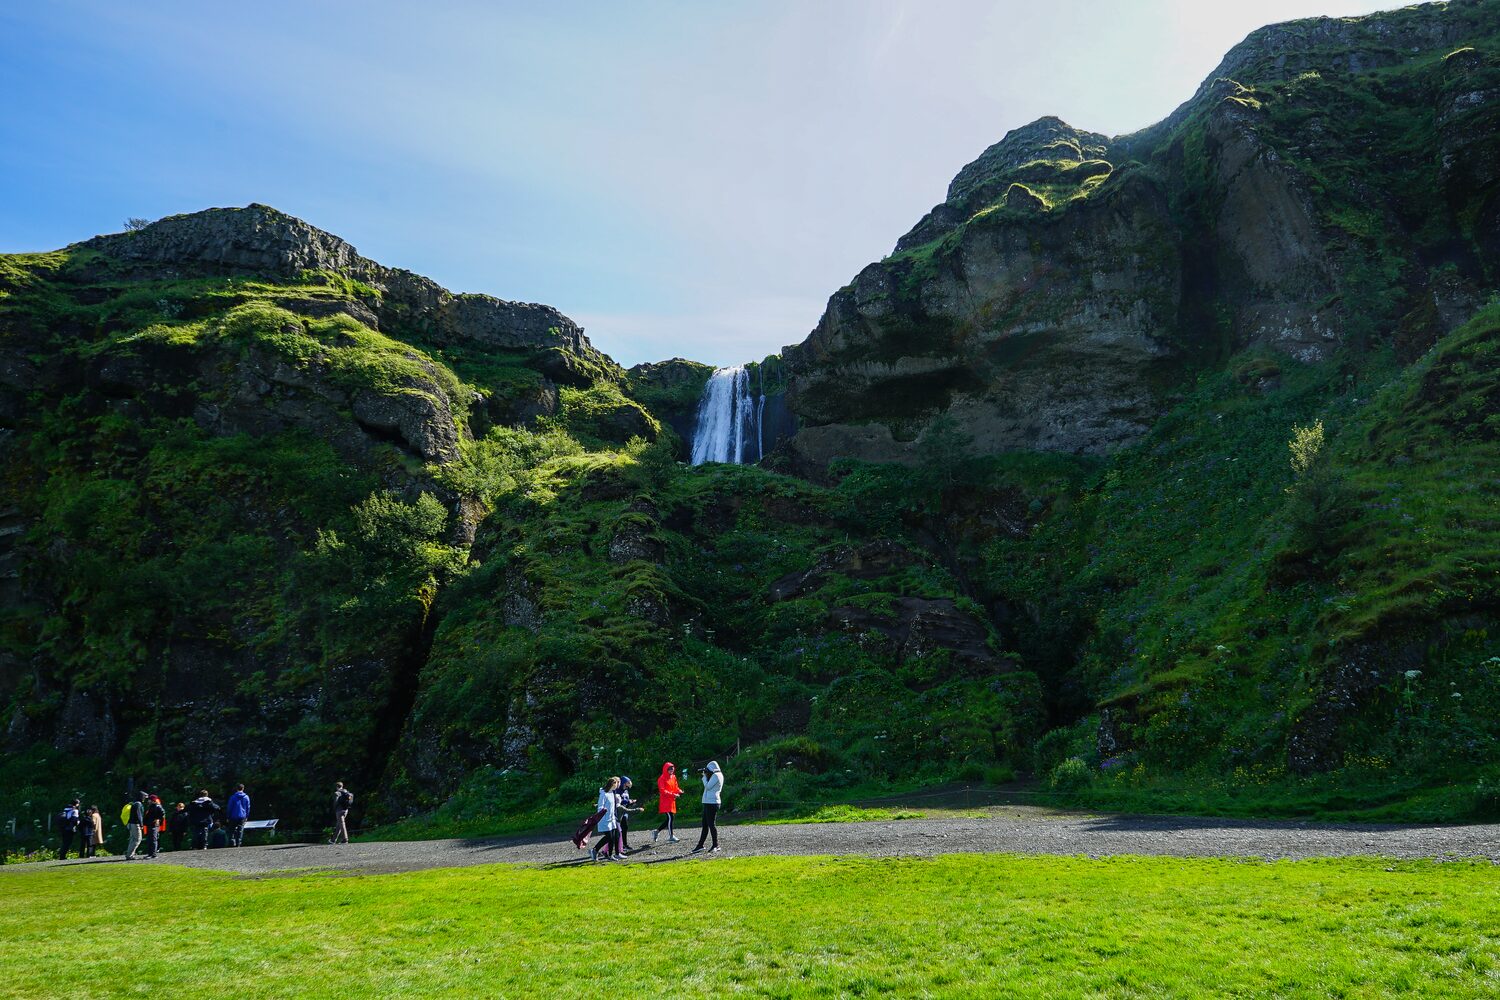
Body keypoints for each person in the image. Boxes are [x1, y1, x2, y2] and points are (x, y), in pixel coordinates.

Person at [693, 760, 724, 854]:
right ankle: (700, 845)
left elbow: (708, 787)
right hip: (709, 802)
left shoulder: (716, 775)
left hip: (712, 802)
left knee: (711, 824)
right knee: (705, 825)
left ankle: (716, 845)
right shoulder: (716, 775)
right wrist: (706, 775)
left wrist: (704, 777)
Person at [589, 777, 622, 862]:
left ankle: (610, 855)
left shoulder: (612, 793)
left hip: (612, 819)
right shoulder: (603, 794)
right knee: (609, 837)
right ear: (612, 784)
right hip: (604, 819)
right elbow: (600, 806)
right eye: (616, 783)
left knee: (613, 837)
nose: (617, 785)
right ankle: (595, 849)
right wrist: (604, 811)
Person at [652, 763, 682, 843]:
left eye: (672, 769)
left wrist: (679, 791)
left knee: (670, 819)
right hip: (665, 802)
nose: (671, 770)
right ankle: (671, 836)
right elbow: (662, 790)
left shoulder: (673, 777)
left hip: (671, 800)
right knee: (670, 818)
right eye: (669, 769)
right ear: (666, 769)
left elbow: (675, 787)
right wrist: (673, 794)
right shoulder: (661, 778)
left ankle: (656, 831)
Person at [616, 776, 644, 854]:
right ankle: (619, 846)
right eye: (626, 783)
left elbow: (625, 800)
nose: (627, 785)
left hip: (625, 811)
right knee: (620, 829)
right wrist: (628, 801)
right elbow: (619, 802)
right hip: (620, 811)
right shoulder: (617, 790)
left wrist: (630, 801)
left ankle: (624, 844)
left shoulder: (626, 791)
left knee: (625, 828)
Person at [123, 792, 146, 861]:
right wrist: (141, 824)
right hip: (135, 824)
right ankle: (130, 855)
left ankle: (130, 854)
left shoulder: (134, 803)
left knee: (133, 839)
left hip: (130, 824)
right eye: (144, 797)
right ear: (141, 797)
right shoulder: (138, 804)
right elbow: (139, 815)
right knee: (138, 839)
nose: (144, 798)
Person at [143, 795, 166, 859]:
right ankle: (150, 854)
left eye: (149, 799)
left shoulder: (157, 806)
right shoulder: (151, 806)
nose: (148, 800)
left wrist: (158, 819)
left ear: (152, 800)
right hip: (149, 824)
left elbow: (163, 813)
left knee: (153, 839)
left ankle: (153, 854)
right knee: (150, 840)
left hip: (154, 825)